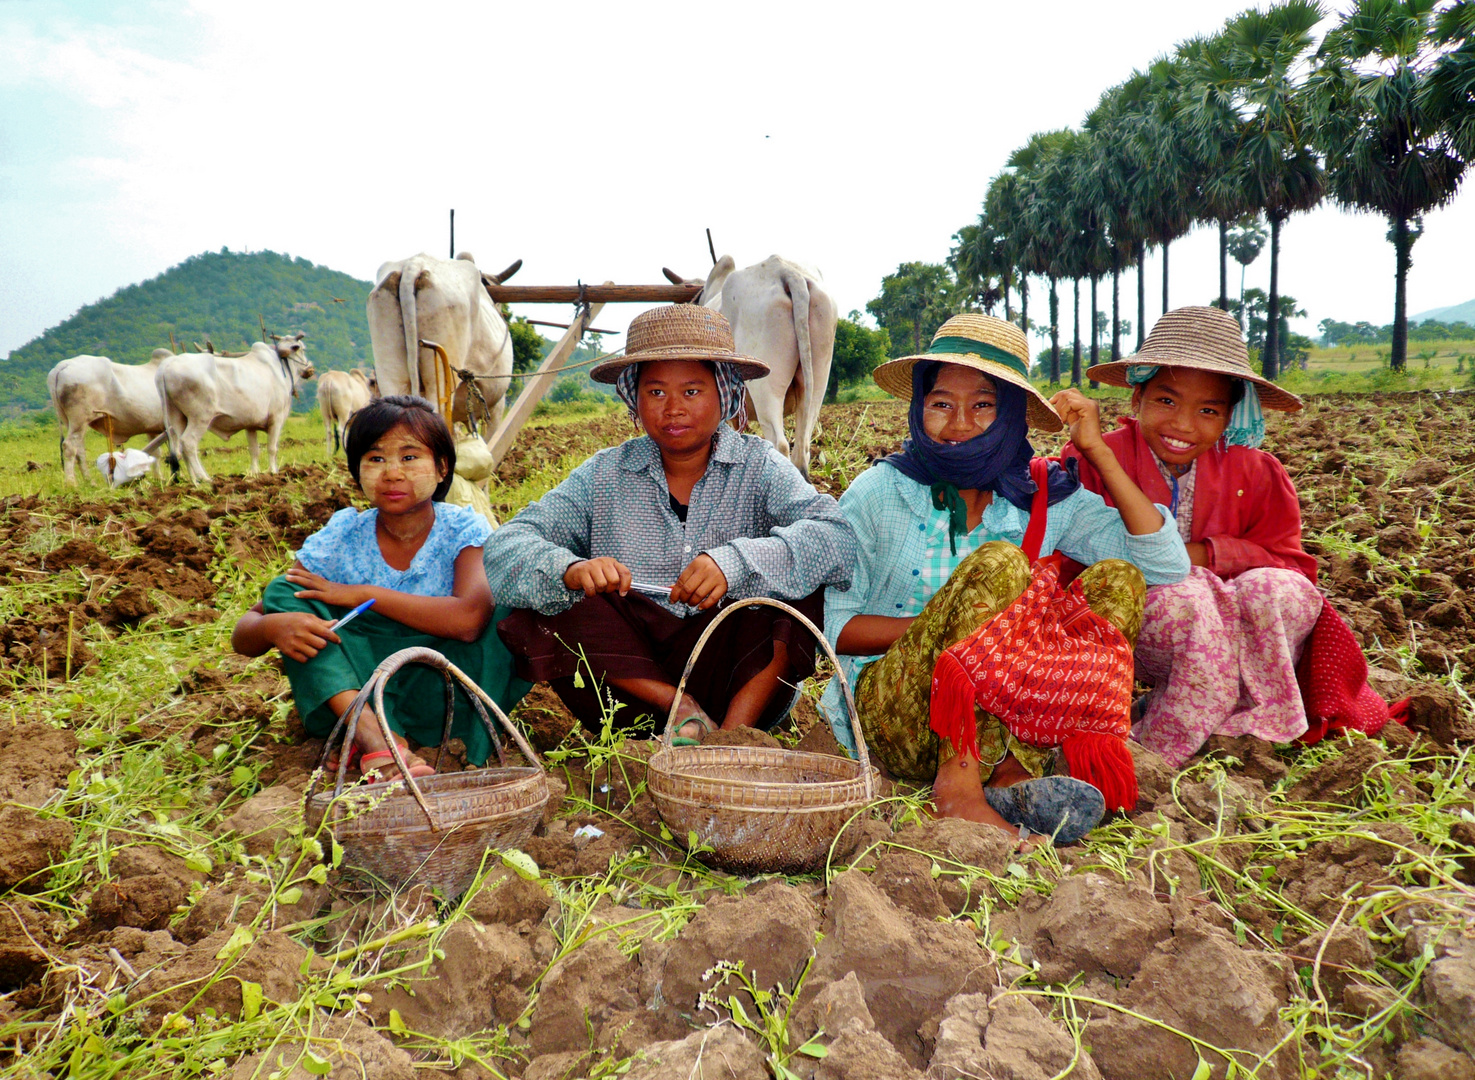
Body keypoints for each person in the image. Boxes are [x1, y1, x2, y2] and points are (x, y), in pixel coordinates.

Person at [821, 314, 1190, 842]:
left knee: (1118, 581)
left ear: (1011, 416)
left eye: (984, 405)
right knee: (1002, 567)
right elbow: (832, 629)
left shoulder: (1039, 496)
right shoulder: (879, 494)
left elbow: (1163, 564)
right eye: (942, 403)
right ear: (918, 405)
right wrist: (956, 630)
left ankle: (1022, 767)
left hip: (1011, 710)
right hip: (896, 717)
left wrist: (1098, 451)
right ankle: (959, 789)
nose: (960, 423)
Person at [487, 305, 856, 743]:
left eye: (693, 391)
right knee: (550, 596)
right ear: (634, 399)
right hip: (630, 689)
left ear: (724, 394)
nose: (674, 409)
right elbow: (505, 547)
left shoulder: (759, 466)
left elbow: (836, 537)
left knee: (792, 597)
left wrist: (735, 562)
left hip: (734, 672)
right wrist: (571, 569)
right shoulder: (604, 474)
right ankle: (681, 710)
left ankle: (731, 740)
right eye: (656, 392)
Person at [1065, 305, 1395, 768]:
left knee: (1276, 590)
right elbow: (1071, 559)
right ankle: (1153, 749)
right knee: (1187, 599)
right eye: (1166, 401)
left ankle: (1256, 721)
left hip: (1243, 627)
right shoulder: (1094, 457)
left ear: (1230, 416)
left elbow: (1292, 565)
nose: (1183, 424)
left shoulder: (1259, 471)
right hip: (1147, 633)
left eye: (1207, 410)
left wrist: (1205, 556)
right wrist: (1179, 574)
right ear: (1137, 397)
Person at [232, 395, 529, 779]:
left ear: (442, 469)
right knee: (284, 593)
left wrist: (362, 595)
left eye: (409, 457)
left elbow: (469, 621)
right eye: (375, 459)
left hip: (445, 695)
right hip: (361, 690)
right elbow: (249, 628)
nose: (391, 472)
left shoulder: (463, 530)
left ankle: (368, 738)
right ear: (357, 471)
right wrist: (273, 627)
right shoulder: (342, 536)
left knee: (508, 603)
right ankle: (376, 739)